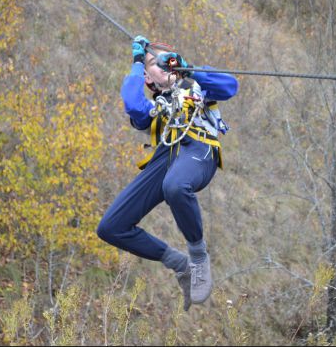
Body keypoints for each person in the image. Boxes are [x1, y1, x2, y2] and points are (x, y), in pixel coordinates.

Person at [97, 35, 238, 310]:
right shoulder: (153, 107)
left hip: (198, 148)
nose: (161, 64)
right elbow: (132, 104)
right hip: (165, 156)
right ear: (147, 77)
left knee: (175, 185)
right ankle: (180, 264)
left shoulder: (197, 86)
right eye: (153, 63)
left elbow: (230, 86)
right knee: (111, 227)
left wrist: (187, 67)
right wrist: (137, 63)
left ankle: (198, 257)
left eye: (165, 59)